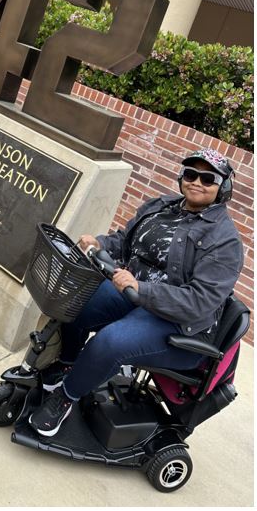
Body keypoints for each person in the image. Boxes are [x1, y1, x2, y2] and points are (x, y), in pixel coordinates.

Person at [30, 149, 244, 437]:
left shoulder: (225, 241)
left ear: (223, 188)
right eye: (191, 174)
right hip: (132, 294)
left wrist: (140, 289)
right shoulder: (161, 206)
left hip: (179, 323)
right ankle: (68, 367)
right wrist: (100, 243)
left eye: (208, 178)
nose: (197, 182)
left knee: (111, 341)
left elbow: (199, 302)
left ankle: (66, 397)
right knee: (75, 302)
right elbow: (125, 241)